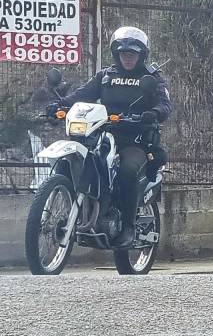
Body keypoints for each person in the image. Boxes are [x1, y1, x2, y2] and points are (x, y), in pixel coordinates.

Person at [46, 26, 171, 248]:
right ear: (117, 54)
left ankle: (129, 228)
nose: (128, 58)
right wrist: (60, 104)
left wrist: (155, 113)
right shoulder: (105, 77)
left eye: (132, 54)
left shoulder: (151, 77)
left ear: (141, 55)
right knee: (79, 162)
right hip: (103, 136)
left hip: (135, 140)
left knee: (128, 170)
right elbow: (81, 95)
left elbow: (165, 104)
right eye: (124, 54)